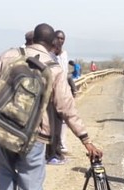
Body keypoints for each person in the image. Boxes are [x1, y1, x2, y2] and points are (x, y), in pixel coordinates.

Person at [0, 23, 102, 190]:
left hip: (3, 128)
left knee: (5, 172)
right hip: (34, 134)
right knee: (31, 179)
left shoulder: (9, 55)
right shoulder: (54, 68)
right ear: (52, 43)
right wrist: (85, 139)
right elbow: (65, 107)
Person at [46, 29, 69, 165]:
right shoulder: (49, 55)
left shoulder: (64, 55)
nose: (60, 41)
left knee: (59, 125)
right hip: (51, 95)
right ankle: (51, 155)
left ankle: (57, 151)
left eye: (62, 39)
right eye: (58, 38)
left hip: (62, 94)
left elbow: (64, 74)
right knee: (52, 126)